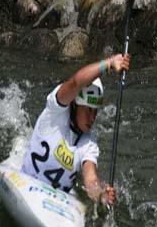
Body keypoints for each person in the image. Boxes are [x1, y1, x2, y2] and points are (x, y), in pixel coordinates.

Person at [21, 54, 131, 207]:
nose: (92, 118)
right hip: (25, 184)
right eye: (87, 110)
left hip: (55, 203)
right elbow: (75, 82)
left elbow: (90, 179)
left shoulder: (88, 143)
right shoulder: (54, 112)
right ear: (75, 104)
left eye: (95, 111)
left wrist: (101, 196)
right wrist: (109, 63)